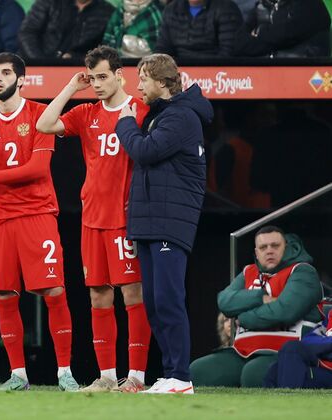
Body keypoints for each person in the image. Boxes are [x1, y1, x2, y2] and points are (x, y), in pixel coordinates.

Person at [0, 52, 79, 392]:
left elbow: (37, 169)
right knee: (5, 295)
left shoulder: (39, 114)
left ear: (21, 79)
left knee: (53, 291)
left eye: (6, 73)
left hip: (37, 214)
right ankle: (18, 374)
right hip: (0, 219)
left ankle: (64, 370)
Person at [36, 46, 151, 393]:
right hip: (91, 219)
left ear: (120, 75)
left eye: (103, 77)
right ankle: (105, 376)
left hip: (125, 217)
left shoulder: (140, 110)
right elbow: (44, 124)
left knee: (133, 295)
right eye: (93, 78)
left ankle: (136, 378)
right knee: (98, 297)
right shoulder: (86, 113)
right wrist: (73, 87)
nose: (97, 84)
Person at [115, 53, 213, 394]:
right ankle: (171, 374)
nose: (137, 86)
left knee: (169, 298)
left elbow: (144, 152)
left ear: (161, 82)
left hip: (171, 221)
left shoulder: (182, 117)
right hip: (151, 220)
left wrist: (124, 122)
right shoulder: (164, 115)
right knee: (155, 302)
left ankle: (181, 377)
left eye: (142, 79)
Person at [190, 226, 324, 387]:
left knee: (253, 374)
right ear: (256, 252)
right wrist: (261, 297)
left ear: (286, 247)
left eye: (275, 246)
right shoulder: (248, 272)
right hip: (242, 351)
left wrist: (243, 317)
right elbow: (224, 301)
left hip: (283, 352)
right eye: (263, 247)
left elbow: (285, 312)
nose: (269, 251)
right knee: (198, 371)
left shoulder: (302, 271)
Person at [17, 0, 115, 59]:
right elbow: (27, 33)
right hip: (37, 65)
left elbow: (104, 49)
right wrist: (40, 62)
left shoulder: (107, 12)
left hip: (78, 69)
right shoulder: (49, 2)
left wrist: (76, 58)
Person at [234, 0, 331, 57]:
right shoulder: (263, 6)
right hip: (268, 77)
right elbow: (239, 44)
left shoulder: (310, 4)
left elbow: (284, 35)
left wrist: (259, 33)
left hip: (305, 77)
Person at [264, 310, 332, 389]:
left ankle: (287, 399)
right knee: (276, 369)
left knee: (290, 362)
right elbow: (307, 340)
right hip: (322, 366)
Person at [155, 0, 243, 59]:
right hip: (179, 73)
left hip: (216, 76)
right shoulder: (171, 10)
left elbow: (228, 54)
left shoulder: (226, 8)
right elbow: (162, 49)